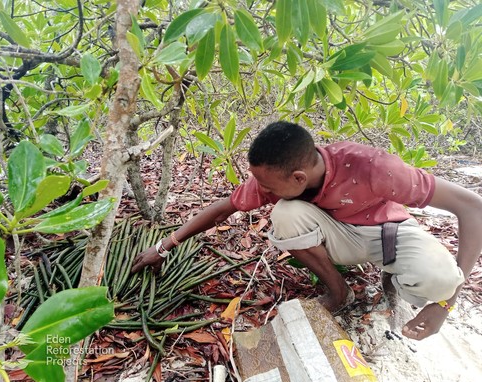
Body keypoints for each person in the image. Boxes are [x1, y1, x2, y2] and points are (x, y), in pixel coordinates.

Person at [131, 121, 482, 341]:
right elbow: (224, 208)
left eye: (265, 183)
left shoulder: (374, 167)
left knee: (440, 278)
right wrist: (164, 246)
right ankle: (338, 291)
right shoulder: (278, 179)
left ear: (298, 177)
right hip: (341, 236)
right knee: (286, 214)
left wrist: (446, 304)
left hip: (389, 231)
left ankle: (397, 278)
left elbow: (471, 206)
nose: (260, 189)